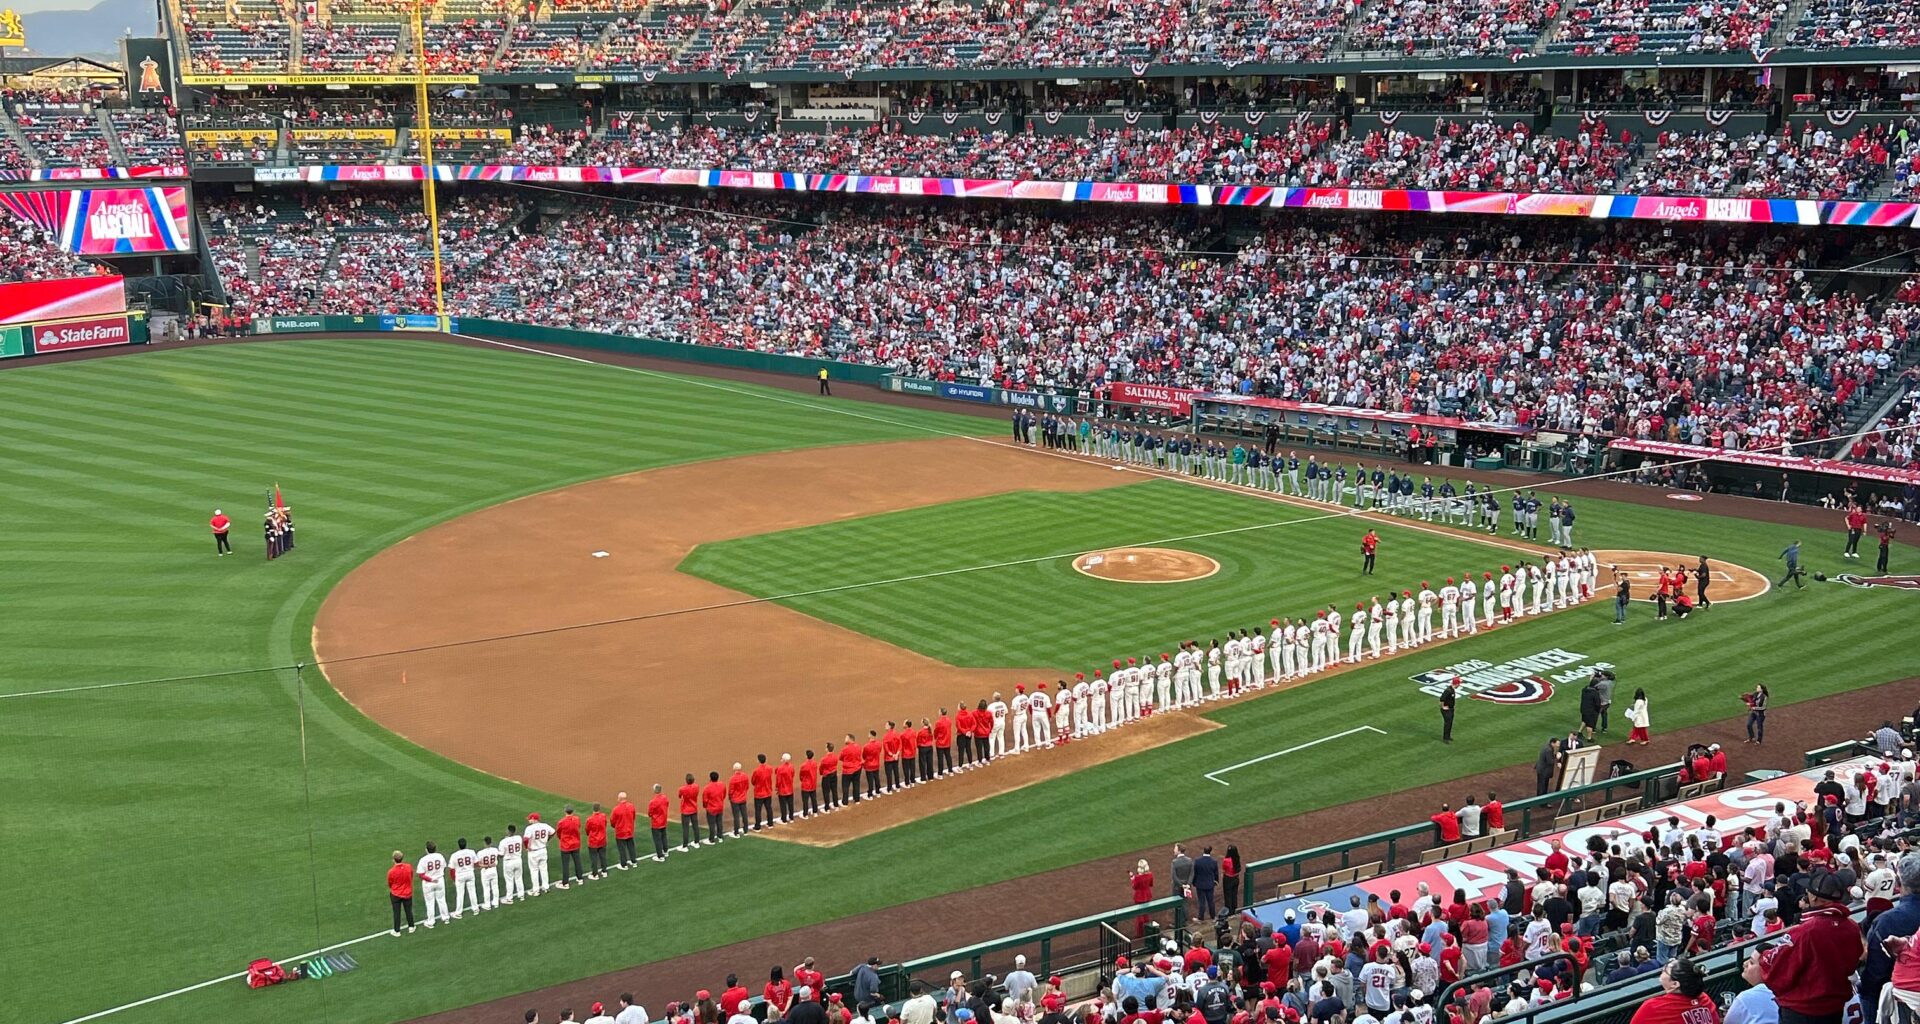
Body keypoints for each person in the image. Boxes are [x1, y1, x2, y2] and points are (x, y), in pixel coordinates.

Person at [1758, 871, 1865, 1024]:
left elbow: (1776, 969)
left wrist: (1764, 955)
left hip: (1802, 1010)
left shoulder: (1806, 931)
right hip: (1834, 1008)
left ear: (1813, 897)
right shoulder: (1852, 926)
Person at [1629, 958, 1719, 1024]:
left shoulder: (1653, 1007)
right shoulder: (1705, 999)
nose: (1662, 970)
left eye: (1665, 970)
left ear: (1675, 984)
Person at [417, 840, 449, 927]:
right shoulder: (440, 856)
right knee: (442, 899)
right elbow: (444, 867)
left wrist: (430, 879)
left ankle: (431, 921)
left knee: (430, 902)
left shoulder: (423, 860)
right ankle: (445, 917)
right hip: (439, 880)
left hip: (428, 883)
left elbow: (421, 874)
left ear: (426, 849)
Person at [387, 850, 416, 935]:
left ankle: (397, 930)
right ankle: (411, 926)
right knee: (408, 910)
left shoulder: (391, 871)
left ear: (393, 859)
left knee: (396, 912)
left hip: (396, 894)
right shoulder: (408, 867)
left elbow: (390, 882)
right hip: (407, 892)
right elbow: (411, 876)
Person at [556, 807, 584, 887]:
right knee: (577, 862)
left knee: (565, 864)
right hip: (575, 844)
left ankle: (565, 883)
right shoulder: (577, 819)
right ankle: (580, 879)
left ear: (565, 812)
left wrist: (562, 839)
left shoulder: (562, 822)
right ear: (573, 811)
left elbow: (559, 832)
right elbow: (578, 827)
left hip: (565, 846)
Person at [610, 793, 637, 870]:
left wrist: (615, 826)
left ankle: (624, 865)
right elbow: (633, 817)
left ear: (620, 799)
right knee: (631, 847)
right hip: (630, 830)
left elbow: (612, 821)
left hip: (620, 832)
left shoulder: (616, 809)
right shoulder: (631, 806)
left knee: (622, 849)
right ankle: (634, 861)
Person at [1130, 859, 1156, 937]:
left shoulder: (1137, 877)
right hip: (1147, 895)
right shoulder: (1150, 874)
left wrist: (1132, 879)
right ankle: (1147, 930)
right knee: (1146, 914)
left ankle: (1140, 933)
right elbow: (1151, 884)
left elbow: (1134, 887)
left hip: (1139, 897)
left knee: (1139, 916)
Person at [1193, 846, 1220, 919]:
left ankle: (1201, 918)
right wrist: (1216, 881)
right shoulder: (1213, 861)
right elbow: (1216, 873)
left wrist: (1194, 882)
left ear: (1203, 851)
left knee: (1201, 902)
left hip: (1200, 884)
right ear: (1210, 851)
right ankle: (1213, 916)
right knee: (1211, 901)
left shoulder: (1198, 861)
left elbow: (1195, 873)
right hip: (1210, 885)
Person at [584, 803, 609, 879]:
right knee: (603, 856)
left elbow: (587, 830)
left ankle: (595, 874)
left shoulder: (590, 819)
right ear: (599, 808)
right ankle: (604, 871)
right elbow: (605, 825)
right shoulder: (603, 816)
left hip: (593, 841)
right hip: (602, 840)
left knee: (594, 858)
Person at [646, 784, 671, 861]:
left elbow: (650, 813)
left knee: (657, 840)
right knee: (664, 837)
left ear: (654, 790)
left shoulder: (653, 802)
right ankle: (666, 851)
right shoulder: (665, 798)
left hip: (656, 823)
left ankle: (660, 856)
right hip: (663, 821)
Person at [1440, 679, 1458, 743]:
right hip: (1446, 710)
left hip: (1451, 709)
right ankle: (1445, 738)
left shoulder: (1452, 690)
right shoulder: (1448, 691)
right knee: (1447, 723)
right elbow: (1442, 699)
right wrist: (1443, 707)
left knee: (1450, 723)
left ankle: (1448, 736)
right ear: (1456, 684)